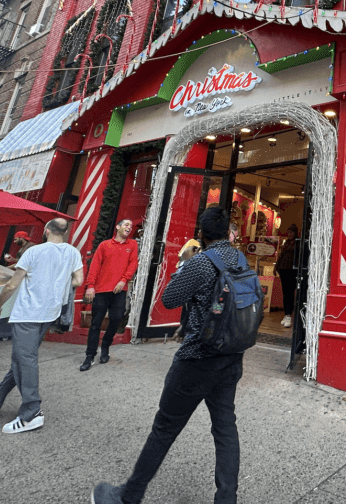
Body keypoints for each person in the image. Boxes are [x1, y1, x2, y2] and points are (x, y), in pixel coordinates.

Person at [93, 208, 247, 504]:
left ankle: (128, 496)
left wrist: (184, 265)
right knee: (226, 427)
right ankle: (226, 499)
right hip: (231, 355)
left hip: (197, 357)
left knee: (164, 428)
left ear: (202, 234)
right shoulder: (240, 259)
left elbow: (169, 298)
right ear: (228, 231)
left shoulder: (201, 261)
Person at [0, 218, 83, 434]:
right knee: (21, 358)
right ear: (64, 232)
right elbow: (78, 280)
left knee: (26, 360)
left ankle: (32, 412)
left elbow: (12, 284)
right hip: (50, 313)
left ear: (46, 231)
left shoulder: (33, 252)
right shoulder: (73, 252)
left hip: (28, 313)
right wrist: (56, 284)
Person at [81, 218, 138, 371]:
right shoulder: (104, 245)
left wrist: (123, 280)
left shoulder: (132, 244)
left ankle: (105, 346)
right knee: (96, 324)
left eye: (131, 226)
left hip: (119, 290)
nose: (129, 227)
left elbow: (133, 263)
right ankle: (90, 355)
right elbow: (94, 265)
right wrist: (90, 286)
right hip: (101, 290)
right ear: (118, 227)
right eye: (126, 224)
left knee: (116, 318)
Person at [275, 224, 299, 328]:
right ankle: (286, 314)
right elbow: (281, 255)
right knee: (285, 292)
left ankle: (289, 315)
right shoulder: (286, 243)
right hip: (284, 270)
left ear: (295, 233)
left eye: (291, 232)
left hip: (292, 271)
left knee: (290, 292)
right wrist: (276, 267)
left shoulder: (298, 243)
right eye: (288, 232)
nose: (289, 234)